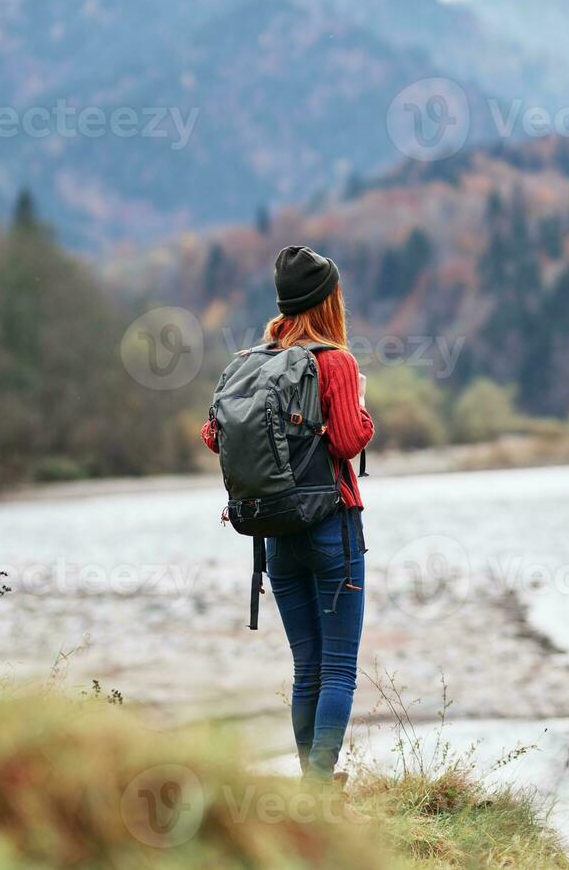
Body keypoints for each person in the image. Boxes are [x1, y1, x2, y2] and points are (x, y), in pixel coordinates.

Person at [200, 245, 375, 787]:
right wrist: (361, 406)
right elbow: (348, 440)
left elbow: (213, 435)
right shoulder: (336, 362)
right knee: (339, 668)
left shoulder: (248, 363)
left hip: (274, 533)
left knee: (307, 668)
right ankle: (320, 786)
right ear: (329, 302)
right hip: (332, 527)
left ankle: (311, 785)